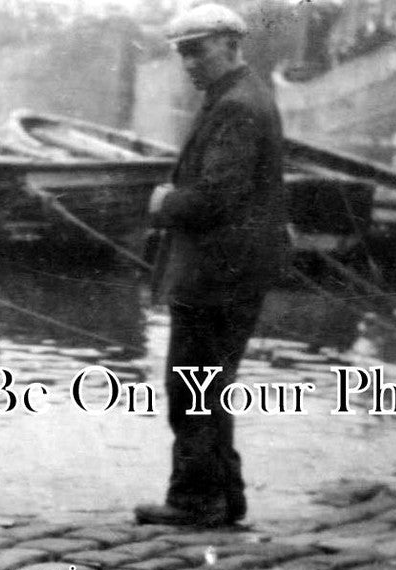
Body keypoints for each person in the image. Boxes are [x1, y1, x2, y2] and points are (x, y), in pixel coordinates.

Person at [135, 2, 290, 527]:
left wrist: (164, 204)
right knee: (208, 386)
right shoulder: (239, 97)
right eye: (182, 53)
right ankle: (224, 496)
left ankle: (196, 500)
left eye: (196, 50)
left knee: (190, 388)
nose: (189, 62)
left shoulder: (236, 106)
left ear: (229, 44)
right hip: (232, 271)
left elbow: (216, 199)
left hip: (219, 274)